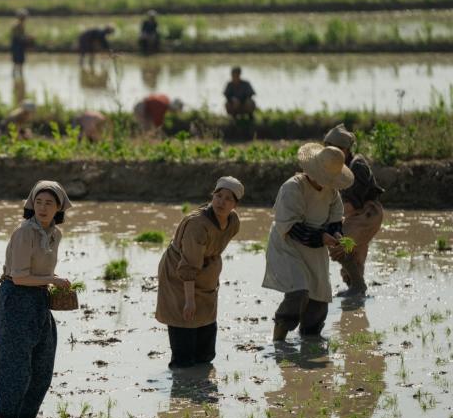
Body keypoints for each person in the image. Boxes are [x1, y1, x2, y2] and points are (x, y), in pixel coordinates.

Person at [0, 180, 73, 418]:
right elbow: (18, 276)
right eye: (38, 202)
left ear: (59, 208)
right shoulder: (24, 232)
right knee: (16, 367)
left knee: (42, 365)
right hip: (15, 298)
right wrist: (53, 280)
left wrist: (50, 283)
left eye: (49, 203)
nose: (43, 207)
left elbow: (41, 274)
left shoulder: (55, 234)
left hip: (39, 298)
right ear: (31, 204)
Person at [263, 143, 354, 342]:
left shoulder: (332, 192)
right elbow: (291, 227)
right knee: (299, 292)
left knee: (319, 298)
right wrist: (322, 237)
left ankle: (310, 339)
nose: (325, 183)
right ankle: (279, 340)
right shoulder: (292, 188)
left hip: (315, 247)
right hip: (288, 245)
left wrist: (337, 236)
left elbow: (335, 221)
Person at [156, 177, 243, 368]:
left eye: (228, 199)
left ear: (235, 205)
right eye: (218, 196)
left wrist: (210, 268)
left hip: (206, 275)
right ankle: (182, 385)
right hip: (179, 272)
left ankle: (201, 383)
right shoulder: (198, 225)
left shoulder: (233, 222)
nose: (221, 202)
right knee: (184, 323)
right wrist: (189, 300)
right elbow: (188, 265)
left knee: (205, 348)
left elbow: (216, 247)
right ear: (212, 196)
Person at [323, 124, 385, 297]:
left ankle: (358, 287)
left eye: (336, 149)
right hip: (356, 213)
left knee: (338, 244)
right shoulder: (337, 166)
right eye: (328, 149)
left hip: (367, 213)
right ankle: (356, 291)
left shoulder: (357, 166)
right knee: (354, 253)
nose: (332, 153)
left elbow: (352, 205)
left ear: (346, 149)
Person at [10, 8, 32, 80]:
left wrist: (27, 37)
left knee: (19, 63)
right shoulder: (16, 26)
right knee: (17, 63)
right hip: (17, 46)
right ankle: (17, 78)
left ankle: (19, 78)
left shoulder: (21, 25)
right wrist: (27, 38)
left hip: (20, 46)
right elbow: (18, 37)